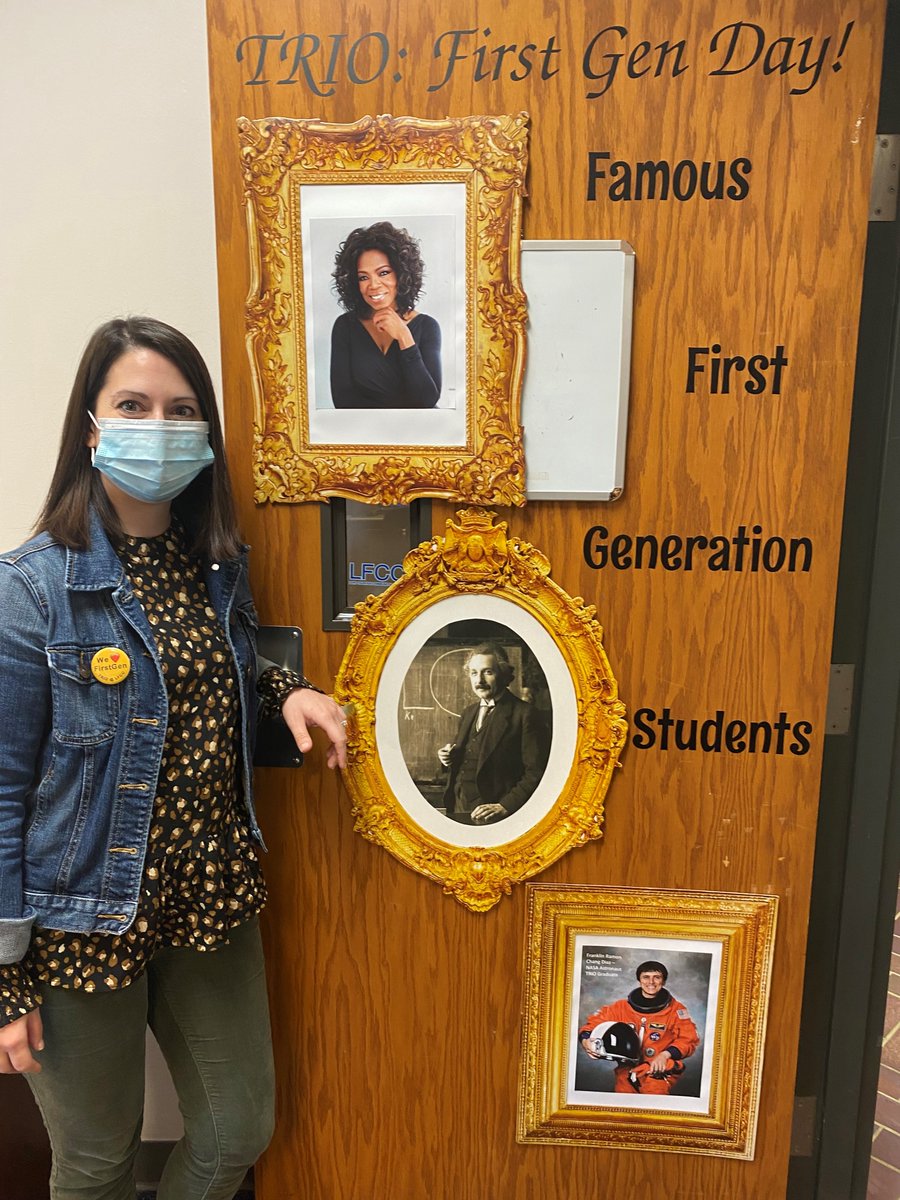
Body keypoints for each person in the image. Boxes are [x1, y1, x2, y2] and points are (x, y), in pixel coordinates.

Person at [0, 317, 348, 1199]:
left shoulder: (214, 565)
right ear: (91, 426)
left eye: (181, 409)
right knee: (98, 1160)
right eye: (133, 405)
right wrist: (4, 977)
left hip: (209, 900)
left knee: (238, 1130)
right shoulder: (31, 587)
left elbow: (210, 669)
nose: (157, 426)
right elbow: (1, 792)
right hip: (81, 921)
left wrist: (283, 691)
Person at [329, 221, 442, 409]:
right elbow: (342, 402)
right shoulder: (345, 326)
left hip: (418, 435)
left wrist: (405, 337)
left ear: (401, 273)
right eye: (363, 277)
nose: (373, 285)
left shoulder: (427, 326)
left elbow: (428, 401)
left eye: (383, 273)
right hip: (367, 433)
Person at [437, 643, 549, 825]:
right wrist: (448, 758)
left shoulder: (524, 714)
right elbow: (468, 758)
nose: (479, 680)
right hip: (458, 807)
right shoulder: (468, 712)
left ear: (504, 675)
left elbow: (537, 772)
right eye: (474, 673)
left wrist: (505, 806)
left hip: (497, 816)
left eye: (487, 672)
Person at [578, 961, 700, 1095]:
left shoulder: (676, 1010)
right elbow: (593, 1023)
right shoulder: (621, 1008)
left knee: (653, 1105)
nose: (651, 982)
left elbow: (688, 1039)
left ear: (663, 981)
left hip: (658, 1070)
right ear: (639, 980)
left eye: (657, 977)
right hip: (626, 1070)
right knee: (623, 1106)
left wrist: (665, 1055)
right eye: (646, 977)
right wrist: (586, 1041)